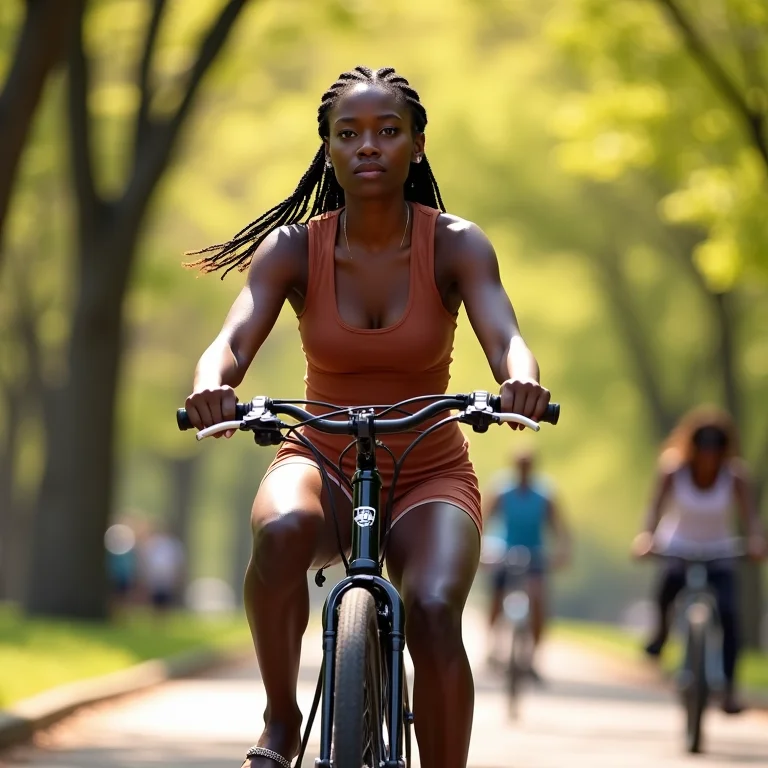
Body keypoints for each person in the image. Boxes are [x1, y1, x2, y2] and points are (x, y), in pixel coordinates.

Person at [183, 66, 551, 768]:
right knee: (285, 529)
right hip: (318, 457)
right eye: (348, 135)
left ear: (417, 144)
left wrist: (520, 381)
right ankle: (282, 718)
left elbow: (505, 335)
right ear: (328, 150)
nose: (369, 147)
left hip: (429, 469)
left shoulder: (457, 243)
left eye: (388, 132)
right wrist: (212, 386)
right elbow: (232, 338)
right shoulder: (295, 248)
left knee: (437, 611)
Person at [631, 406, 766, 715]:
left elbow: (751, 518)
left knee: (730, 615)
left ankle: (729, 688)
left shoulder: (735, 477)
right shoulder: (673, 470)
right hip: (678, 545)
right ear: (692, 444)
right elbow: (654, 507)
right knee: (666, 591)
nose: (709, 454)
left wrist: (757, 541)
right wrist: (646, 536)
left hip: (720, 549)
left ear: (724, 448)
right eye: (703, 446)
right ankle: (661, 637)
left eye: (716, 446)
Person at [483, 449, 570, 677]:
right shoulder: (502, 491)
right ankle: (492, 646)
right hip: (504, 550)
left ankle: (532, 658)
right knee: (496, 595)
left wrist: (562, 552)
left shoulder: (544, 494)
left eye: (527, 464)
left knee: (538, 598)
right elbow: (483, 520)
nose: (523, 469)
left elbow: (559, 528)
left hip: (535, 552)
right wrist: (481, 550)